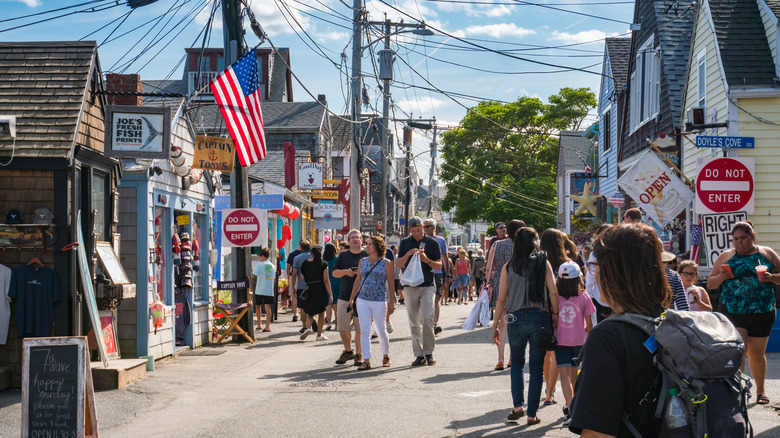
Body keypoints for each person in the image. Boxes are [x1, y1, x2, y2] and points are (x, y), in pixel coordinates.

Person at [569, 223, 671, 436]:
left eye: (594, 265)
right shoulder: (672, 322)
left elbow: (596, 433)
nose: (593, 274)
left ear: (613, 271)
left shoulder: (607, 337)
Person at [707, 221, 780, 405]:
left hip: (762, 311)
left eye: (743, 238)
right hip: (733, 311)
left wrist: (771, 277)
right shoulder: (726, 256)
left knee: (756, 353)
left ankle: (760, 391)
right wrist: (721, 277)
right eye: (735, 239)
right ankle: (738, 390)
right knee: (739, 351)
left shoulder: (767, 254)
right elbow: (710, 283)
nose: (739, 242)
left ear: (752, 236)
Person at [492, 227, 559, 426]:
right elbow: (553, 292)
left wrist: (495, 324)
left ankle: (517, 406)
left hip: (515, 318)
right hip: (539, 317)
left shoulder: (508, 267)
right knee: (537, 367)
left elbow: (501, 299)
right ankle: (532, 414)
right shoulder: (542, 262)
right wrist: (555, 315)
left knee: (518, 364)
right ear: (534, 242)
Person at [396, 216, 442, 366]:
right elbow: (399, 264)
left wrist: (426, 259)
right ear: (409, 230)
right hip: (410, 286)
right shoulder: (405, 243)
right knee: (414, 321)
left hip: (427, 285)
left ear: (423, 227)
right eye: (413, 231)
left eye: (419, 230)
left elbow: (439, 266)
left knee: (427, 318)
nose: (416, 233)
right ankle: (418, 354)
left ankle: (429, 352)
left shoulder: (432, 243)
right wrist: (408, 254)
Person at [553, 261, 595, 426]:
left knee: (564, 376)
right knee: (574, 376)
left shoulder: (555, 297)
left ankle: (570, 408)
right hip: (579, 341)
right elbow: (589, 323)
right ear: (578, 278)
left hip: (560, 340)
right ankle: (572, 407)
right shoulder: (584, 297)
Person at [347, 236, 395, 370]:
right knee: (364, 330)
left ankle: (386, 355)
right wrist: (352, 298)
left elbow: (391, 283)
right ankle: (366, 359)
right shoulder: (363, 261)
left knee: (380, 329)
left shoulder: (387, 263)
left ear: (377, 247)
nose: (366, 246)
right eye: (366, 244)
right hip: (363, 299)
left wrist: (391, 302)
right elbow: (358, 280)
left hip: (379, 300)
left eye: (370, 244)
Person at [485, 219, 524, 371]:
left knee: (502, 322)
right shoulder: (524, 246)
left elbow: (489, 268)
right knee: (516, 322)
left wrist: (488, 282)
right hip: (519, 285)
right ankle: (512, 357)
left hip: (499, 283)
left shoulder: (497, 245)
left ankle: (500, 357)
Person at [540, 228, 572, 405]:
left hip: (544, 309)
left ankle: (548, 389)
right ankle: (554, 393)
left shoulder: (539, 261)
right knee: (560, 351)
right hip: (565, 311)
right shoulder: (567, 263)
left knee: (547, 351)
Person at [332, 230, 367, 365]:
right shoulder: (343, 255)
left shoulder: (367, 254)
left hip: (363, 297)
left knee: (360, 328)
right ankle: (348, 351)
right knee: (342, 326)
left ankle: (359, 354)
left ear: (361, 240)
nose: (355, 240)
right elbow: (334, 273)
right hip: (344, 296)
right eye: (352, 238)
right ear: (348, 241)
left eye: (357, 237)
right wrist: (347, 272)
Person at [299, 245, 333, 341]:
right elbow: (326, 280)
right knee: (321, 312)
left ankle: (308, 328)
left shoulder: (305, 263)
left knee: (310, 312)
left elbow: (302, 278)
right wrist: (330, 294)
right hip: (320, 289)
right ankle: (319, 335)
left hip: (310, 288)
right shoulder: (324, 264)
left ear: (311, 253)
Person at [423, 218, 449, 334]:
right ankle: (425, 323)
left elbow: (445, 258)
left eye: (427, 226)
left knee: (436, 298)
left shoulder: (440, 240)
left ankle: (435, 324)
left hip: (437, 272)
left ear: (433, 227)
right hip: (424, 272)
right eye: (424, 226)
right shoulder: (420, 240)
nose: (425, 228)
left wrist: (447, 275)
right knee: (424, 300)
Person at [585, 224, 612, 323]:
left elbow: (590, 276)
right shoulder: (619, 252)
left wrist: (590, 295)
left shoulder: (595, 253)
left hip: (599, 296)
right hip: (615, 297)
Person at [251, 248, 275, 332]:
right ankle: (268, 326)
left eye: (259, 257)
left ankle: (259, 324)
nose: (258, 258)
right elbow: (274, 279)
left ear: (263, 256)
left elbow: (253, 276)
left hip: (260, 289)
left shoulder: (259, 265)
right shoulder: (272, 266)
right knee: (268, 307)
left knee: (258, 306)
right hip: (269, 290)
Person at [290, 241, 312, 331]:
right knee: (312, 305)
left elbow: (294, 273)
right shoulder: (313, 256)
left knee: (302, 306)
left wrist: (293, 286)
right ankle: (311, 322)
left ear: (301, 248)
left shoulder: (297, 258)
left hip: (301, 285)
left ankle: (304, 326)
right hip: (313, 284)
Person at [286, 241, 305, 322]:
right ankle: (302, 314)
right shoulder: (307, 255)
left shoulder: (292, 254)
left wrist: (288, 277)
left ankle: (295, 314)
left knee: (294, 295)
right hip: (303, 277)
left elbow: (288, 267)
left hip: (294, 276)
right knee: (303, 295)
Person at [323, 243, 340, 331]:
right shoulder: (337, 259)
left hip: (326, 281)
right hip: (337, 281)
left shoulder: (324, 260)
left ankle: (329, 322)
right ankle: (337, 323)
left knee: (328, 304)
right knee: (336, 303)